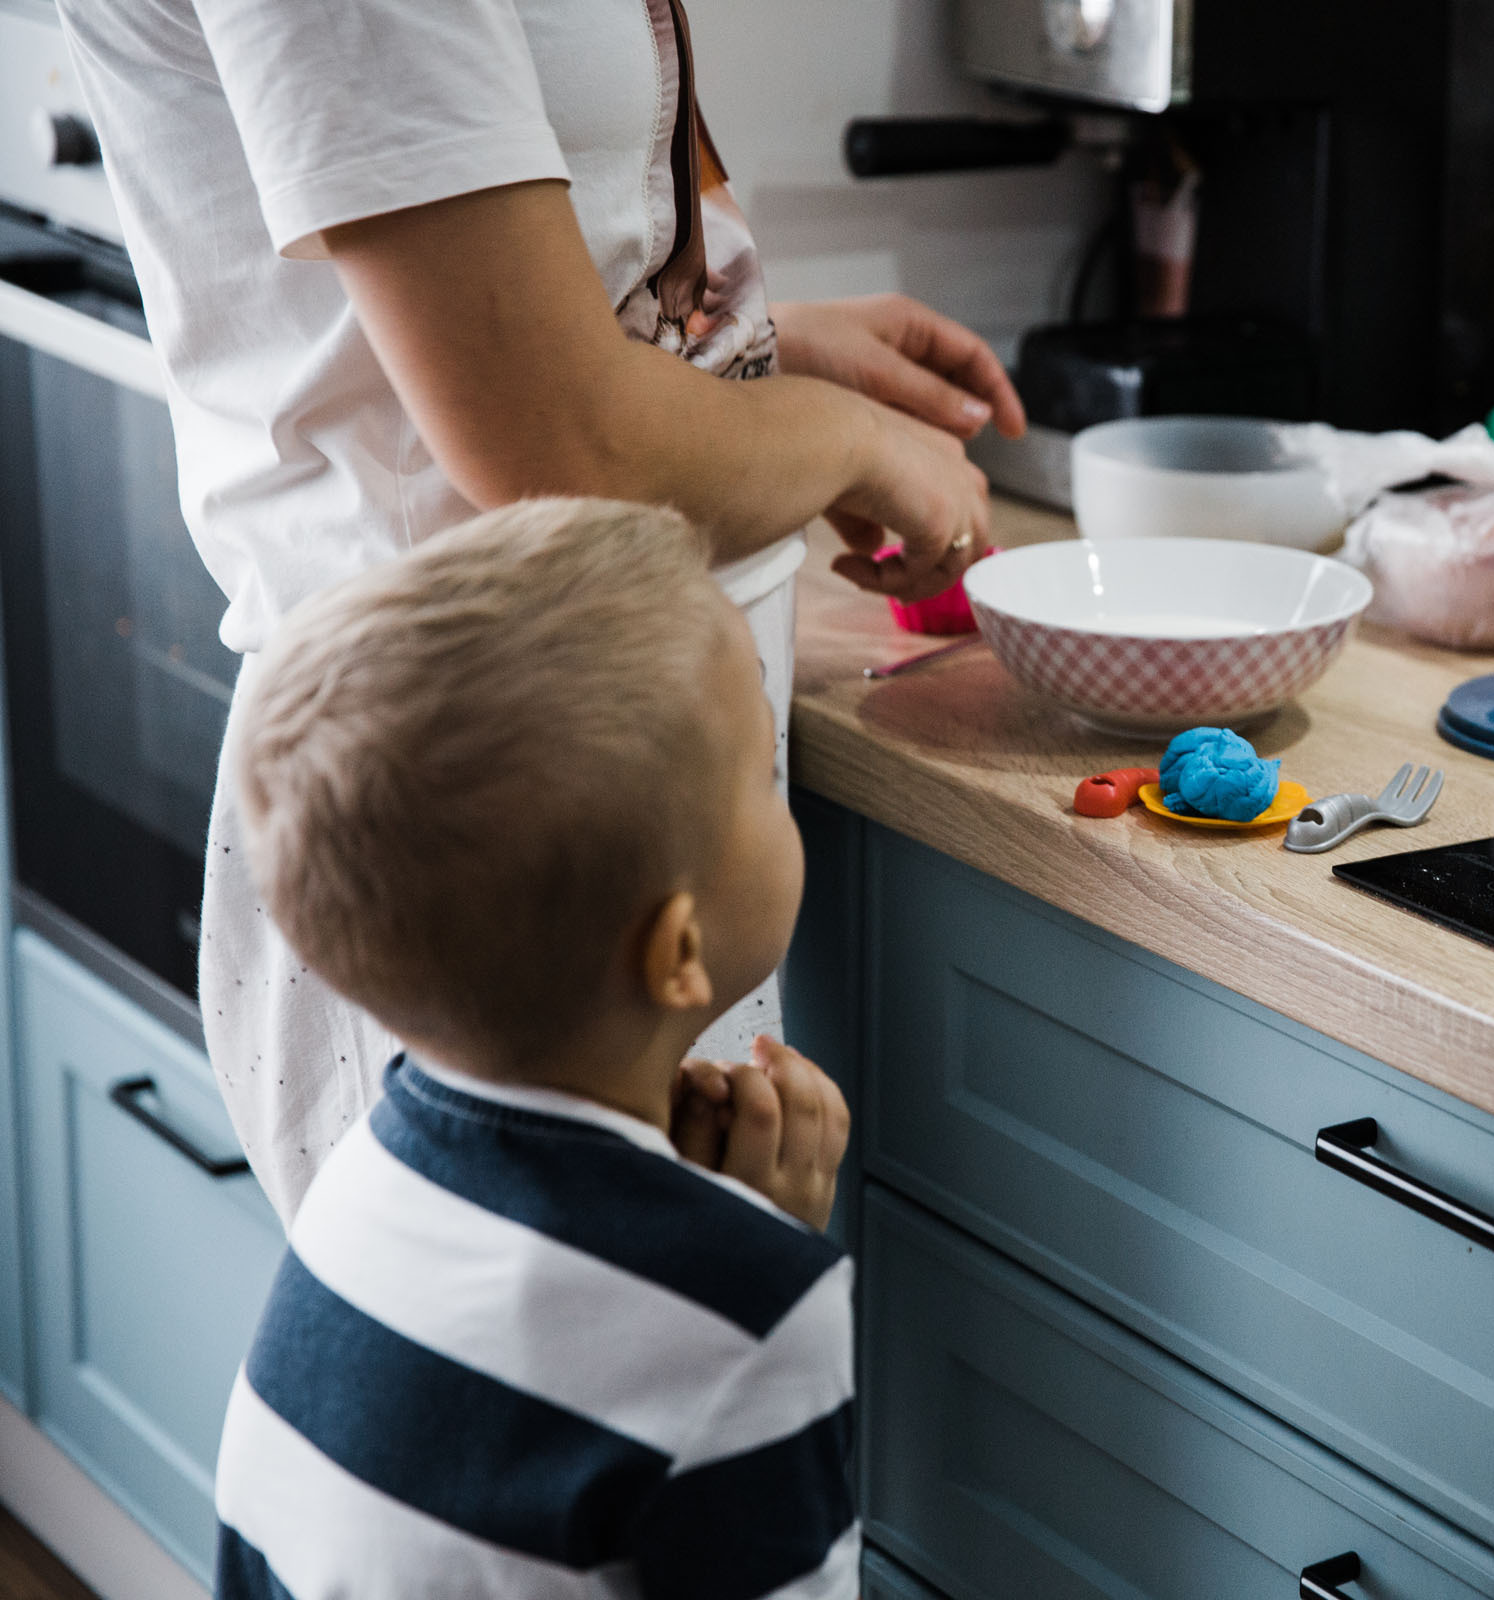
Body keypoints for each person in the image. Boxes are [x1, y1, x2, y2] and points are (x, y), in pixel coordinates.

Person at [55, 0, 1022, 1221]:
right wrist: (848, 441)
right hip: (490, 817)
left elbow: (486, 317)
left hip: (584, 798)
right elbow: (563, 443)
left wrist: (758, 354)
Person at [216, 496, 856, 1598]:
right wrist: (751, 1265)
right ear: (680, 951)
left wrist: (721, 1252)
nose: (776, 787)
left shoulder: (359, 1185)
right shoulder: (752, 1317)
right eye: (764, 774)